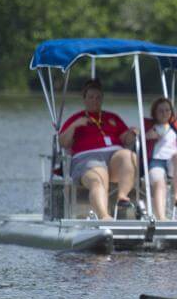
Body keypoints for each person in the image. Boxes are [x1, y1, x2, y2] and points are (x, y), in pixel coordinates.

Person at [59, 78, 138, 219]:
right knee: (98, 180)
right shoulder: (76, 118)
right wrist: (75, 126)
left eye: (98, 97)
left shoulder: (112, 117)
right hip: (88, 158)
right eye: (91, 97)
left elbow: (126, 139)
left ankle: (122, 197)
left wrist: (132, 133)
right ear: (84, 99)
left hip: (114, 156)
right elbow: (63, 143)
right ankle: (104, 216)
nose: (94, 100)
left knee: (129, 156)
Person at [143, 98, 177, 220]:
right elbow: (141, 139)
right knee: (160, 183)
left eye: (167, 110)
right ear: (155, 113)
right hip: (156, 162)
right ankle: (161, 217)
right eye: (161, 111)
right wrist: (147, 136)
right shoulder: (150, 126)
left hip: (172, 162)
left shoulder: (175, 127)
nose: (164, 113)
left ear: (171, 112)